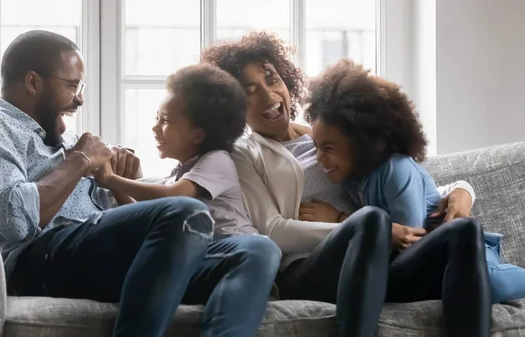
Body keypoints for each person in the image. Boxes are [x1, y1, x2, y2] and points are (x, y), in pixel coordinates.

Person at [0, 30, 280, 337]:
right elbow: (15, 220)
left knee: (257, 249)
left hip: (99, 254)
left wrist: (120, 181)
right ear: (34, 83)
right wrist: (79, 161)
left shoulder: (64, 142)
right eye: (72, 85)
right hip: (39, 258)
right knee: (187, 211)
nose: (79, 100)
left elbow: (128, 223)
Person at [201, 31, 485, 337]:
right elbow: (273, 230)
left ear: (285, 78)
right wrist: (358, 227)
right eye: (249, 92)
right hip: (307, 270)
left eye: (271, 79)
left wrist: (462, 191)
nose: (269, 96)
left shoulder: (326, 133)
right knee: (373, 219)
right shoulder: (244, 154)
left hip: (377, 262)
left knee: (465, 230)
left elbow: (408, 181)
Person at [305, 58, 525, 306]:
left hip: (466, 257)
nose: (319, 158)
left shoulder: (396, 170)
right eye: (316, 147)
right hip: (435, 268)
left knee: (488, 285)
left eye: (328, 148)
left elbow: (409, 243)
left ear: (360, 142)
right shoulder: (351, 178)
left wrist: (340, 220)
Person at [94, 63, 259, 238]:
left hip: (238, 246)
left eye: (165, 120)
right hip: (206, 253)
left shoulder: (217, 160)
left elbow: (175, 197)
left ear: (197, 135)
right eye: (156, 118)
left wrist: (111, 179)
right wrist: (116, 188)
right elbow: (142, 212)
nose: (154, 127)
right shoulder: (178, 175)